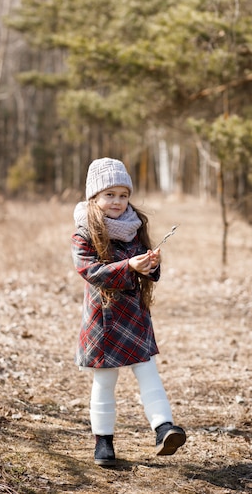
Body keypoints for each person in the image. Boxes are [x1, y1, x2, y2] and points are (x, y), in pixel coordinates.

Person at [71, 157, 186, 467]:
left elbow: (144, 270)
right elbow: (90, 270)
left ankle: (164, 429)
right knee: (105, 382)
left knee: (149, 374)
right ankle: (103, 443)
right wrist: (128, 266)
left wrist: (150, 265)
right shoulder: (84, 232)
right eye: (110, 195)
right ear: (94, 197)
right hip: (103, 319)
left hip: (134, 315)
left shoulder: (135, 227)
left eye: (123, 195)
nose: (118, 202)